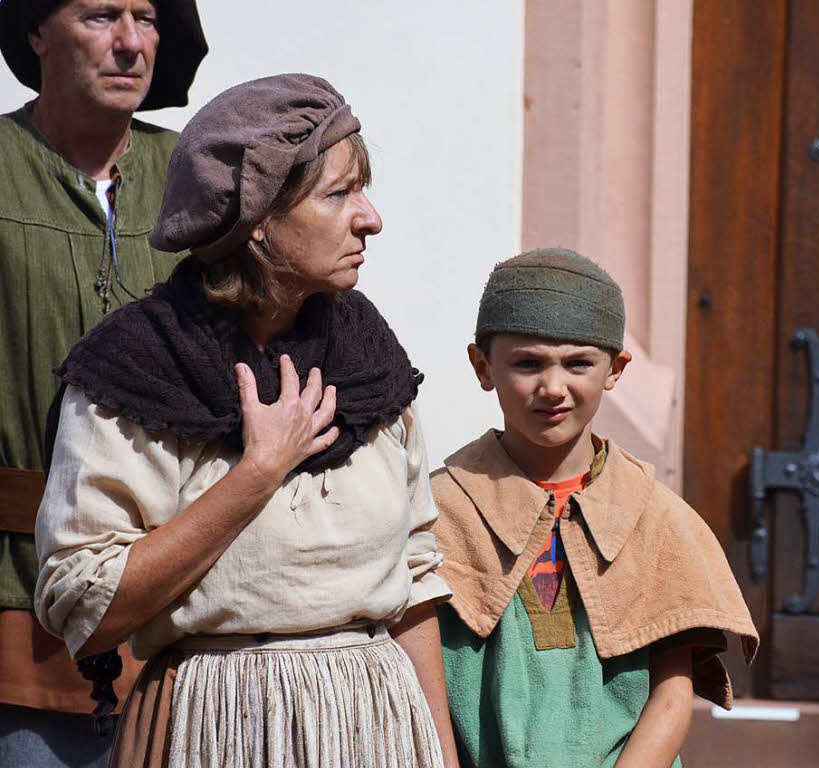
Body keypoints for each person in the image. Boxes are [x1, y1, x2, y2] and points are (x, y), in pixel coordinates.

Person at [33, 74, 460, 768]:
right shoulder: (142, 368)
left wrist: (440, 752)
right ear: (257, 219)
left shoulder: (365, 357)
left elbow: (413, 581)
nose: (371, 218)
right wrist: (256, 474)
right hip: (218, 723)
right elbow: (87, 607)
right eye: (339, 193)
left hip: (377, 722)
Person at [430, 248, 758, 767]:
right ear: (482, 365)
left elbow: (672, 696)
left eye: (578, 363)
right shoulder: (439, 514)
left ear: (615, 369)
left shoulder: (656, 519)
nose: (553, 388)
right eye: (528, 363)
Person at [0, 0, 206, 765]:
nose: (128, 43)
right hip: (19, 605)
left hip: (187, 607)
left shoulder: (199, 172)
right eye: (98, 16)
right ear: (33, 30)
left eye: (145, 18)